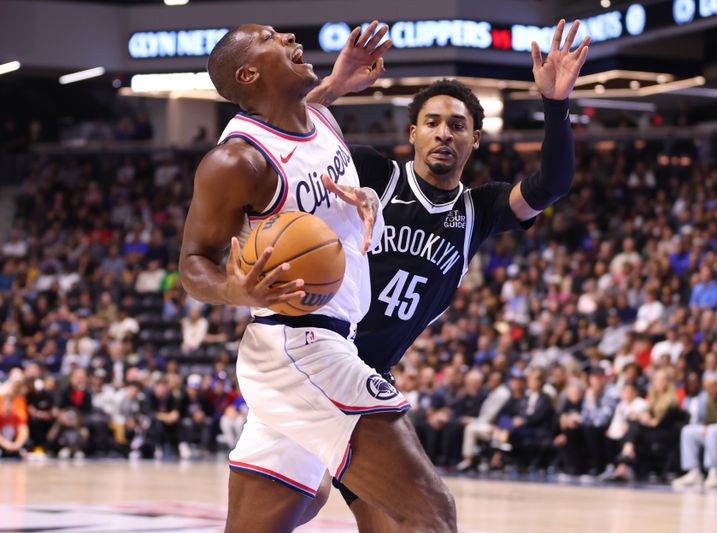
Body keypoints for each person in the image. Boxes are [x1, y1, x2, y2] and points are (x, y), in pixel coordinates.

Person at [306, 18, 589, 529]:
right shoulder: (375, 173)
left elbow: (552, 183)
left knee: (398, 524)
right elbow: (295, 142)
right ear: (412, 133)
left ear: (474, 139)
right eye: (432, 122)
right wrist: (334, 86)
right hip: (318, 358)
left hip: (366, 377)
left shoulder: (480, 211)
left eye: (457, 125)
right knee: (427, 517)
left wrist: (556, 104)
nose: (444, 133)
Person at [179, 22, 455, 532]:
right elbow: (193, 263)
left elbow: (299, 123)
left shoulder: (322, 120)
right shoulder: (236, 161)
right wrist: (232, 289)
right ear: (249, 72)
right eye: (269, 39)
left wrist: (339, 86)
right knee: (429, 515)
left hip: (321, 346)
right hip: (301, 349)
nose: (286, 37)